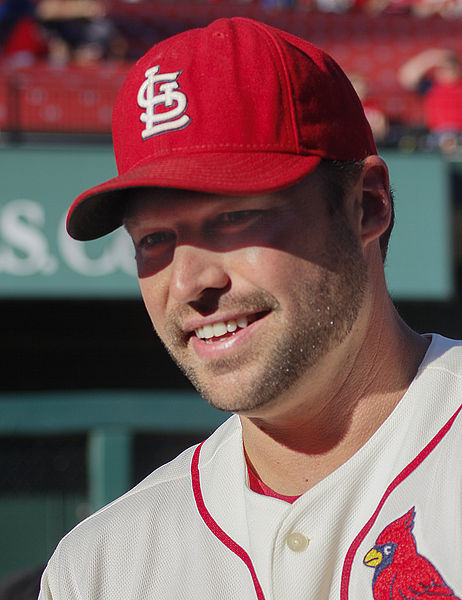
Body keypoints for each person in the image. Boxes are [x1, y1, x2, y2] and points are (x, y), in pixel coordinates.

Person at [39, 17, 462, 599]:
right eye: (153, 240)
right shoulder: (102, 567)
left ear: (366, 206)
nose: (189, 283)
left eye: (235, 217)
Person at [399, 48, 462, 153]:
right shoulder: (431, 86)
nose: (448, 72)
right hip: (436, 135)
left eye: (451, 67)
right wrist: (433, 58)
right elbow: (406, 77)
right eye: (444, 68)